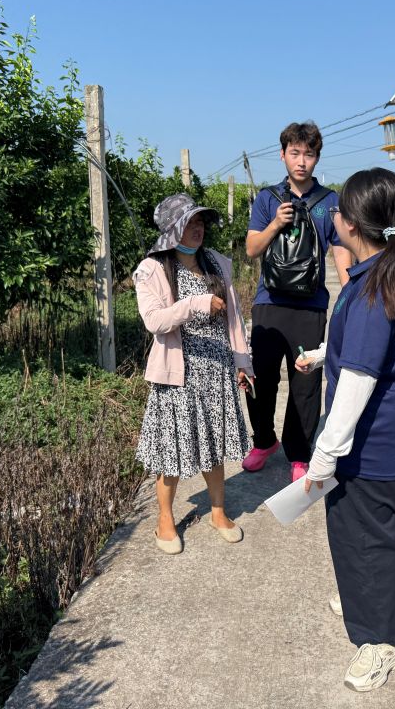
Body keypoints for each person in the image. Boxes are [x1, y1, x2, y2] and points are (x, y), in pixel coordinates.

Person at [295, 168, 395, 692]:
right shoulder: (385, 273)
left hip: (372, 440)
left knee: (369, 537)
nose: (333, 216)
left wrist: (324, 453)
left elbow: (360, 378)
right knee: (351, 530)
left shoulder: (375, 286)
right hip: (381, 435)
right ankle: (359, 597)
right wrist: (323, 353)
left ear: (351, 222)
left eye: (338, 209)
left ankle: (382, 641)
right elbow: (370, 348)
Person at [133, 194, 253, 555]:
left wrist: (242, 363)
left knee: (214, 445)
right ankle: (165, 519)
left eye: (201, 222)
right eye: (190, 222)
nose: (198, 229)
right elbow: (154, 321)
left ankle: (218, 512)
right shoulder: (152, 269)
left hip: (216, 371)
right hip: (178, 375)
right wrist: (195, 304)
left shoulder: (216, 262)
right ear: (172, 229)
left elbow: (234, 318)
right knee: (172, 448)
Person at [243, 121, 352, 482]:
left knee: (305, 385)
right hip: (269, 303)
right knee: (261, 379)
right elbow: (252, 249)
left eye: (309, 154)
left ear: (317, 157)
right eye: (295, 153)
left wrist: (350, 294)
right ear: (283, 155)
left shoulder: (330, 202)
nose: (301, 161)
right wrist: (275, 224)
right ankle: (263, 441)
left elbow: (340, 249)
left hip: (310, 306)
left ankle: (299, 453)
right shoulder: (267, 199)